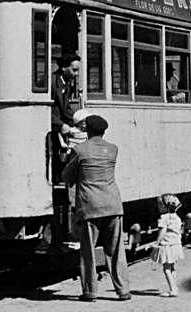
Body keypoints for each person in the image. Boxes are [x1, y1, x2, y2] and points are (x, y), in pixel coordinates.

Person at [61, 115, 131, 302]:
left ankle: (90, 292)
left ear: (87, 130)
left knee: (88, 252)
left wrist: (67, 159)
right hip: (113, 204)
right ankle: (123, 290)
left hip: (90, 206)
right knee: (116, 251)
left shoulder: (79, 150)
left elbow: (67, 177)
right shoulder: (113, 149)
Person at [51, 54, 80, 179]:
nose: (77, 74)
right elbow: (44, 109)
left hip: (58, 126)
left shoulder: (65, 82)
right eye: (74, 70)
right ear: (64, 67)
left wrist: (77, 120)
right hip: (52, 126)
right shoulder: (51, 83)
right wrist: (60, 125)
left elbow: (66, 109)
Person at [150, 194, 184, 297]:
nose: (158, 207)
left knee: (166, 269)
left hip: (167, 245)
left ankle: (172, 290)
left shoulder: (163, 218)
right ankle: (174, 287)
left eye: (160, 205)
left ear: (165, 206)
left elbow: (162, 231)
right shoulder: (177, 217)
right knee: (172, 267)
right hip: (176, 245)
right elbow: (179, 231)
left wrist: (156, 242)